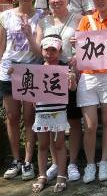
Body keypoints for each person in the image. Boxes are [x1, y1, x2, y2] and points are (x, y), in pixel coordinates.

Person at [73, 0, 107, 183]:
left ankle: (104, 161)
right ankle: (90, 164)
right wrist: (76, 44)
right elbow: (81, 49)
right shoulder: (85, 20)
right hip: (88, 76)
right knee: (90, 125)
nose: (100, 1)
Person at [0, 0, 44, 181]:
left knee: (30, 117)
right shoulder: (5, 16)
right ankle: (16, 159)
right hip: (9, 70)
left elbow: (39, 51)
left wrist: (28, 33)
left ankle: (28, 160)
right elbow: (0, 47)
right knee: (12, 117)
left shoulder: (41, 16)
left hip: (31, 70)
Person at [33, 0, 83, 183]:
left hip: (71, 74)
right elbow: (38, 50)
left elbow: (85, 45)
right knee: (52, 121)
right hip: (49, 77)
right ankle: (55, 163)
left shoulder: (78, 18)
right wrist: (28, 35)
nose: (56, 0)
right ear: (47, 1)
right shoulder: (42, 22)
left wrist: (78, 56)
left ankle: (72, 163)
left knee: (73, 119)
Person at [29, 35, 76, 193]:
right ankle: (42, 175)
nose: (49, 53)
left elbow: (73, 89)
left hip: (59, 111)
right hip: (41, 111)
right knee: (42, 145)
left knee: (60, 144)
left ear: (60, 51)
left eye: (53, 50)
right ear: (41, 50)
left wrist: (72, 80)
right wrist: (13, 72)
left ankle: (61, 176)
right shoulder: (36, 68)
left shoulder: (65, 67)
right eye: (46, 50)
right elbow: (28, 88)